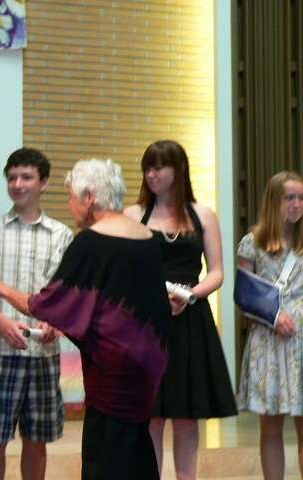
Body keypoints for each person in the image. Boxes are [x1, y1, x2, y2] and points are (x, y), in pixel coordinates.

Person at [0, 159, 171, 480]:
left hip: (112, 369)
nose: (70, 206)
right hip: (148, 363)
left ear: (90, 197)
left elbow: (46, 304)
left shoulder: (91, 242)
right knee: (137, 448)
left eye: (71, 197)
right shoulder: (146, 237)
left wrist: (0, 288)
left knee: (106, 457)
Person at [124, 140, 236, 479]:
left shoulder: (203, 215)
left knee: (187, 417)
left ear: (179, 170)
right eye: (148, 168)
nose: (151, 174)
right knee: (151, 415)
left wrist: (189, 295)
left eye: (159, 167)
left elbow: (217, 272)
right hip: (146, 322)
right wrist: (153, 295)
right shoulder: (133, 215)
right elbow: (124, 270)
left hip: (190, 318)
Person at [0, 147, 73, 480]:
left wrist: (55, 321)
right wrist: (0, 322)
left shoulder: (61, 235)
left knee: (37, 439)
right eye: (12, 178)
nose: (18, 184)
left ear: (44, 183)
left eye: (26, 177)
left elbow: (68, 296)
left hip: (43, 352)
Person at [237, 171, 303, 479]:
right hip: (269, 337)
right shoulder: (252, 243)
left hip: (301, 339)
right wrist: (275, 317)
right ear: (274, 200)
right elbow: (244, 296)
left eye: (301, 198)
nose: (296, 204)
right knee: (271, 425)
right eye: (289, 198)